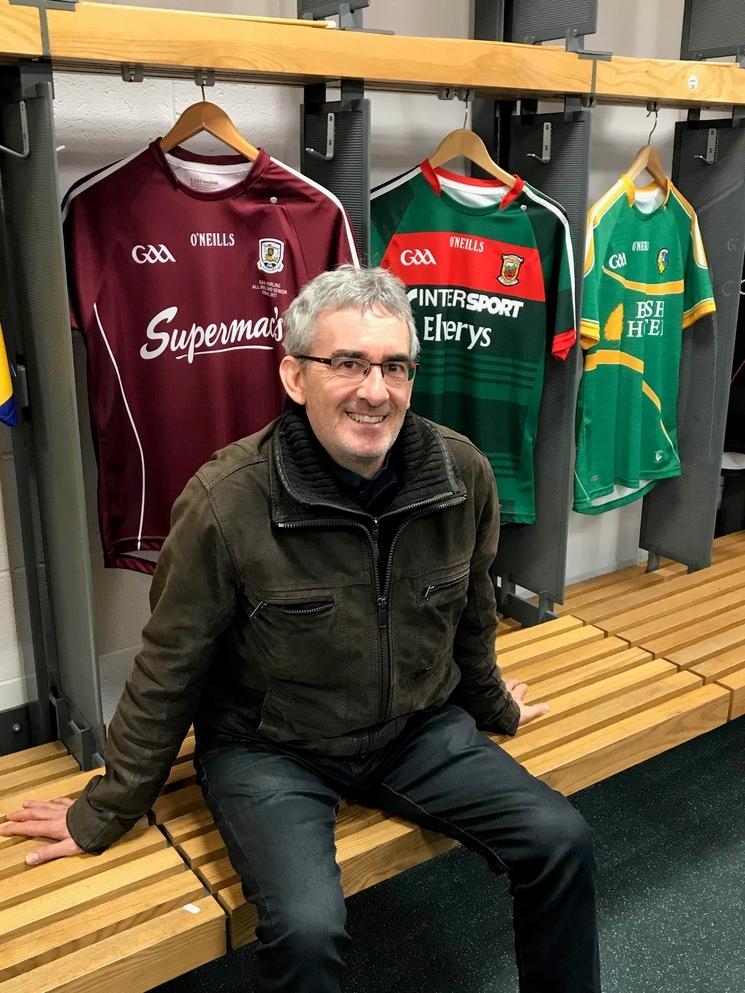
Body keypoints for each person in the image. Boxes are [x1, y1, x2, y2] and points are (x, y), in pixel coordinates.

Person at [1, 266, 601, 993]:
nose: (373, 390)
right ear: (293, 375)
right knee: (307, 930)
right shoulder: (226, 501)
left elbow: (469, 615)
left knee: (561, 838)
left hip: (416, 728)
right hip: (270, 750)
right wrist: (105, 808)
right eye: (346, 362)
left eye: (393, 366)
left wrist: (494, 706)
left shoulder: (460, 474)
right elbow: (169, 666)